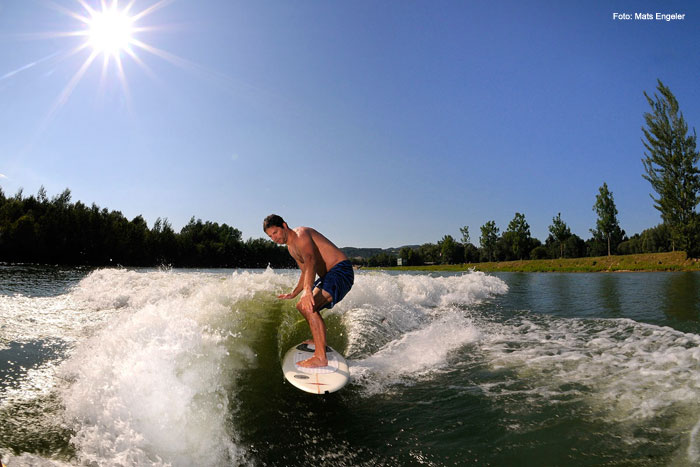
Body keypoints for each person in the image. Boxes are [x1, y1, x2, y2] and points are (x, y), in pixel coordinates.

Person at [263, 214, 354, 368]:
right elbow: (305, 271)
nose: (274, 238)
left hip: (340, 271)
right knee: (301, 305)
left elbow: (310, 260)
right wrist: (294, 292)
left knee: (308, 305)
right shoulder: (291, 248)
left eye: (276, 232)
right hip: (329, 277)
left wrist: (308, 291)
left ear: (284, 226)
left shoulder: (301, 235)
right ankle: (320, 343)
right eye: (270, 236)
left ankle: (320, 357)